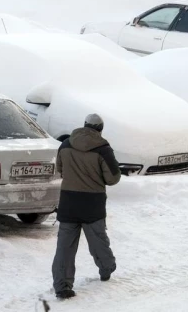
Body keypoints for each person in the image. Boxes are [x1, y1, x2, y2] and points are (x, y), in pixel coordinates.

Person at [51, 113, 122, 299]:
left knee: (65, 246)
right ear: (100, 129)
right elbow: (113, 178)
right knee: (98, 239)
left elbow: (60, 169)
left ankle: (62, 285)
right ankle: (106, 268)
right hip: (93, 203)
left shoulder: (65, 144)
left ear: (84, 124)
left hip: (68, 202)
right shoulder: (103, 149)